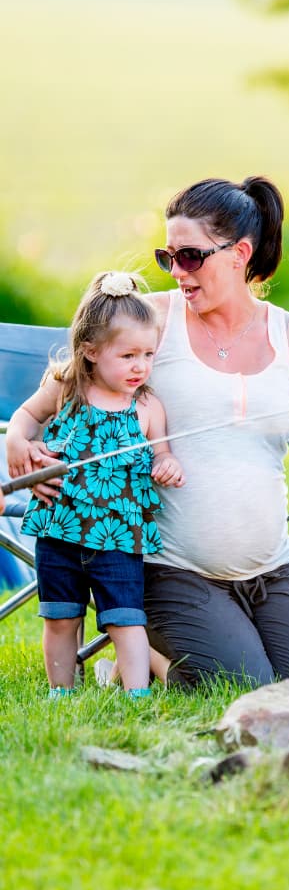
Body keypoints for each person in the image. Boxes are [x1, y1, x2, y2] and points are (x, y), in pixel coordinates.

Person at [142, 176, 289, 687]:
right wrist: (21, 438)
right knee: (245, 685)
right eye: (166, 257)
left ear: (238, 254)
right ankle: (146, 656)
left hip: (272, 569)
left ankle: (197, 645)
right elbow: (69, 395)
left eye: (190, 256)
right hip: (172, 568)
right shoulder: (149, 320)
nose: (177, 272)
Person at [5, 271, 185, 698]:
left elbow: (163, 452)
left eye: (148, 354)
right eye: (127, 356)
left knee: (126, 618)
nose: (140, 366)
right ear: (89, 351)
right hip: (59, 527)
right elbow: (25, 417)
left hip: (119, 534)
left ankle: (137, 692)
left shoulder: (146, 406)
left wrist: (168, 463)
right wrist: (16, 440)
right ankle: (61, 691)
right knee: (61, 617)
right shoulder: (66, 388)